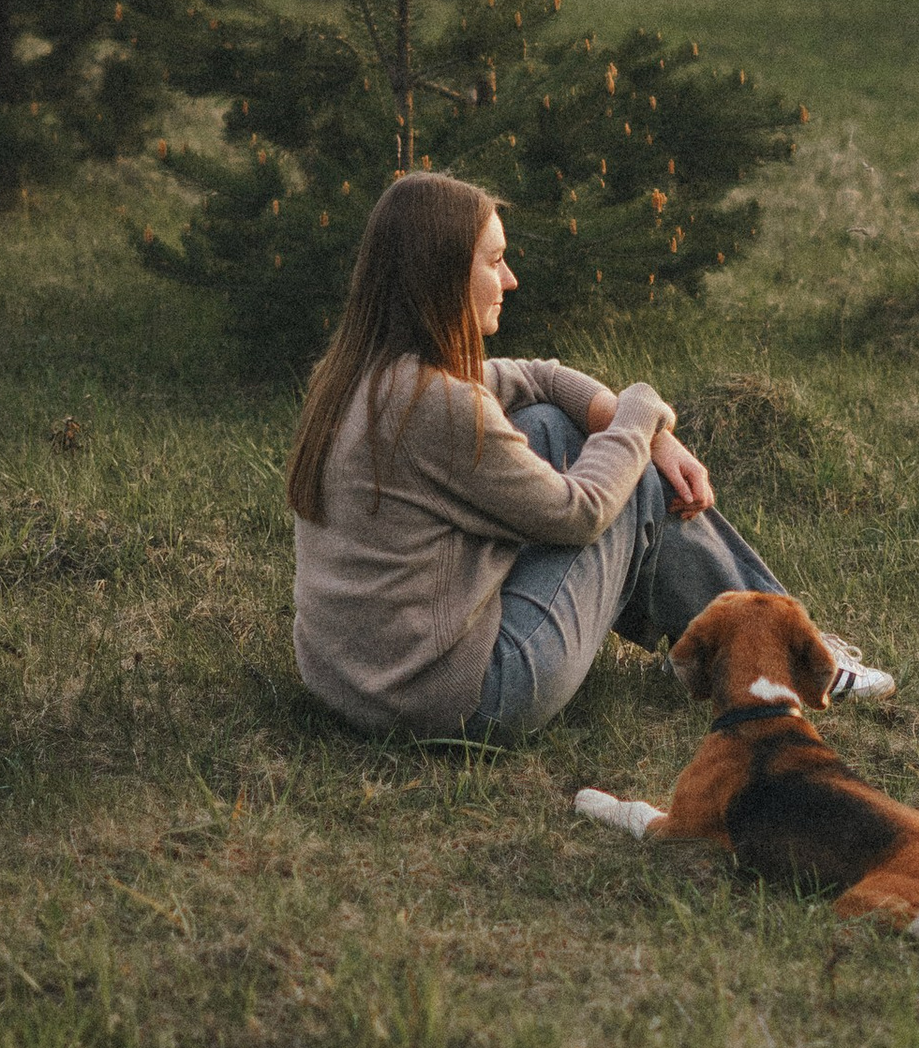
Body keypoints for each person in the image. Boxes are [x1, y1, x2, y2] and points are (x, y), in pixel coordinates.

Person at [288, 169, 888, 741]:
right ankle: (781, 653)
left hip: (355, 684)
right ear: (443, 275)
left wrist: (646, 435)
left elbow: (535, 378)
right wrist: (642, 407)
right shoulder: (439, 407)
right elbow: (582, 512)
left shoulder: (361, 376)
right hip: (461, 702)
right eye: (496, 261)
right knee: (633, 487)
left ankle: (714, 637)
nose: (512, 280)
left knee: (548, 422)